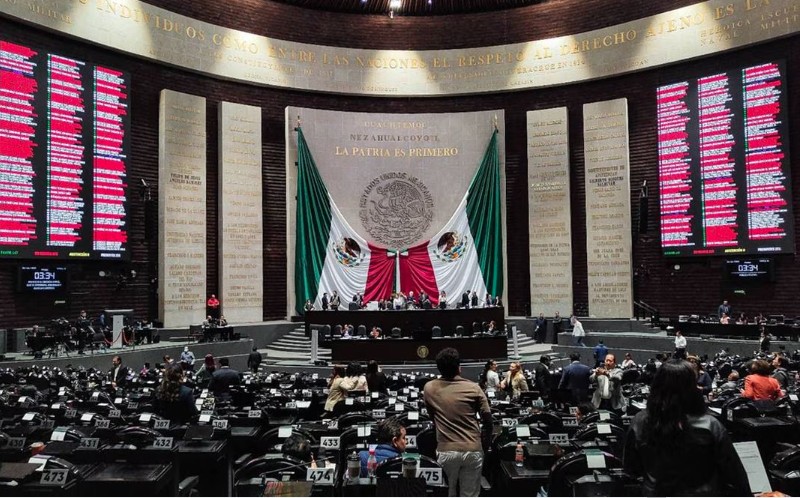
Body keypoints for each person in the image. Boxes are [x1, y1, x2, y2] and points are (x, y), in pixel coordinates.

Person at [623, 359, 750, 496]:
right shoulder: (711, 425)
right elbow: (735, 476)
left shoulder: (639, 421)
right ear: (692, 387)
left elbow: (631, 468)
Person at [423, 348, 491, 497]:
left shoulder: (429, 388)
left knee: (447, 493)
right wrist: (484, 445)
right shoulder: (474, 388)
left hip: (446, 450)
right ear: (459, 368)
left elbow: (432, 417)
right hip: (473, 448)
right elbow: (488, 420)